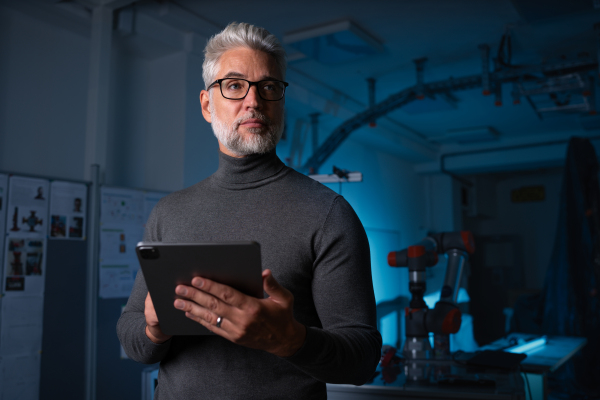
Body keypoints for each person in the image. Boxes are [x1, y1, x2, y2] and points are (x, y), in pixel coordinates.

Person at [117, 22, 381, 400]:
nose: (254, 101)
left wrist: (292, 340)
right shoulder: (169, 212)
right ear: (208, 105)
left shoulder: (328, 214)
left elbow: (363, 358)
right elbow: (132, 336)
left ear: (281, 102)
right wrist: (154, 330)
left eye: (269, 87)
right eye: (235, 85)